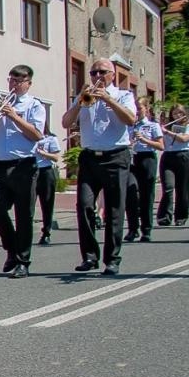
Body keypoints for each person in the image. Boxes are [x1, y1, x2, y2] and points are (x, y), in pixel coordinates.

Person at [62, 59, 138, 276]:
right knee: (84, 205)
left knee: (114, 209)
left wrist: (108, 99)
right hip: (89, 157)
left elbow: (130, 119)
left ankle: (112, 259)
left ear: (112, 75)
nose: (97, 76)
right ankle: (89, 256)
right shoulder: (85, 96)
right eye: (94, 72)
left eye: (102, 72)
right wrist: (79, 101)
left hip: (115, 156)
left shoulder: (123, 95)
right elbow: (66, 122)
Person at [0, 65, 47, 277]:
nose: (14, 84)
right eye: (12, 80)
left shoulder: (35, 105)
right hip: (0, 165)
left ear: (29, 83)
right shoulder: (0, 105)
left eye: (19, 81)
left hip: (24, 165)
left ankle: (23, 261)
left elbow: (37, 135)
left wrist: (14, 116)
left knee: (24, 215)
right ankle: (11, 249)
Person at [124, 98, 163, 243]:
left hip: (147, 158)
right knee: (130, 193)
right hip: (131, 158)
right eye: (135, 109)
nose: (137, 112)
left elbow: (161, 146)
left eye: (139, 108)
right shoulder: (127, 125)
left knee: (146, 195)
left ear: (146, 109)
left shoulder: (152, 125)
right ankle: (132, 229)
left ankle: (146, 229)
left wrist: (144, 140)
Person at [156, 103, 189, 227]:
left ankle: (181, 216)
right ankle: (165, 216)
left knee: (182, 189)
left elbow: (184, 139)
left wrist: (168, 133)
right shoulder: (167, 126)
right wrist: (160, 130)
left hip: (183, 156)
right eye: (174, 113)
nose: (177, 115)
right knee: (168, 187)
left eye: (180, 113)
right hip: (168, 156)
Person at [33, 130, 62, 246]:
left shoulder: (50, 138)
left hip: (45, 171)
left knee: (47, 204)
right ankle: (24, 234)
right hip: (30, 171)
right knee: (27, 204)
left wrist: (43, 153)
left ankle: (46, 232)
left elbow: (56, 157)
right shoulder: (27, 135)